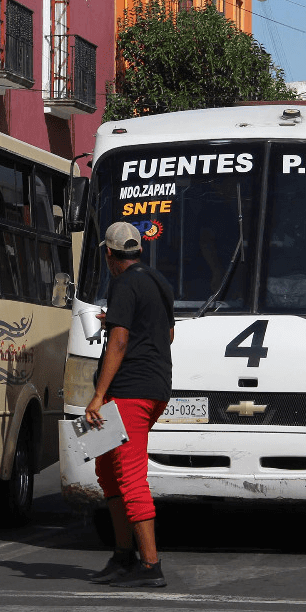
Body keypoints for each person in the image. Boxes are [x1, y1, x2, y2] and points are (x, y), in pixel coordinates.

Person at [85, 221, 175, 588]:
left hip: (129, 393)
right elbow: (167, 333)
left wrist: (96, 395)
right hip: (154, 389)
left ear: (109, 254)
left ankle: (150, 565)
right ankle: (123, 556)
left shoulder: (122, 283)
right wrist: (120, 320)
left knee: (130, 476)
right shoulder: (158, 281)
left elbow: (120, 343)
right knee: (106, 469)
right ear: (138, 251)